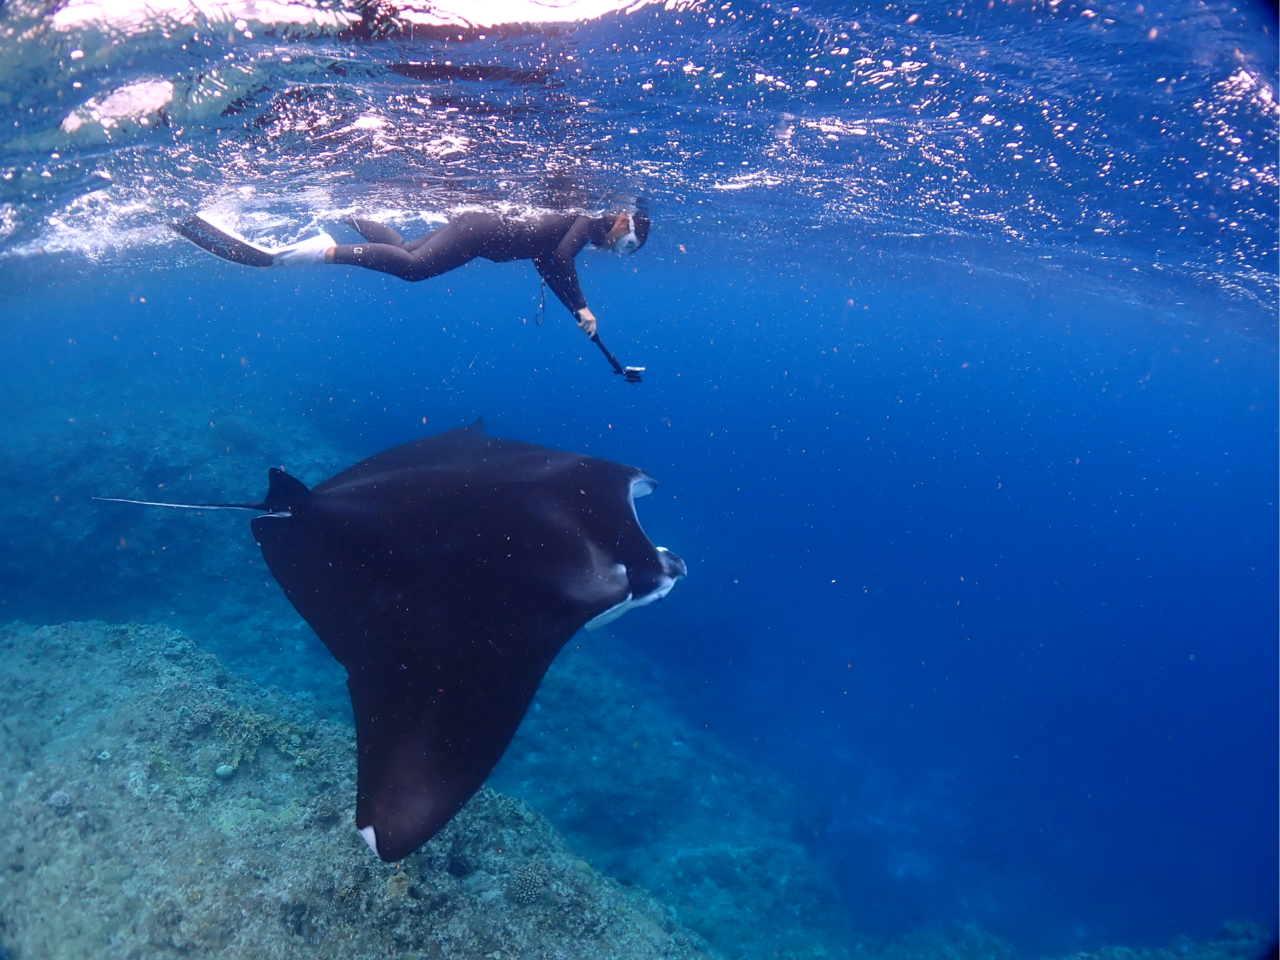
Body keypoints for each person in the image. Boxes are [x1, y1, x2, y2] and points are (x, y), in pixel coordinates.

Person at [175, 208, 650, 340]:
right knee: (414, 270)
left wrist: (574, 309)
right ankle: (323, 251)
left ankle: (351, 213)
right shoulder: (586, 222)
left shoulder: (581, 230)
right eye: (627, 245)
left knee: (402, 251)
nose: (617, 251)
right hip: (481, 232)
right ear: (623, 221)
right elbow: (560, 260)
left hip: (480, 232)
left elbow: (548, 260)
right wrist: (583, 305)